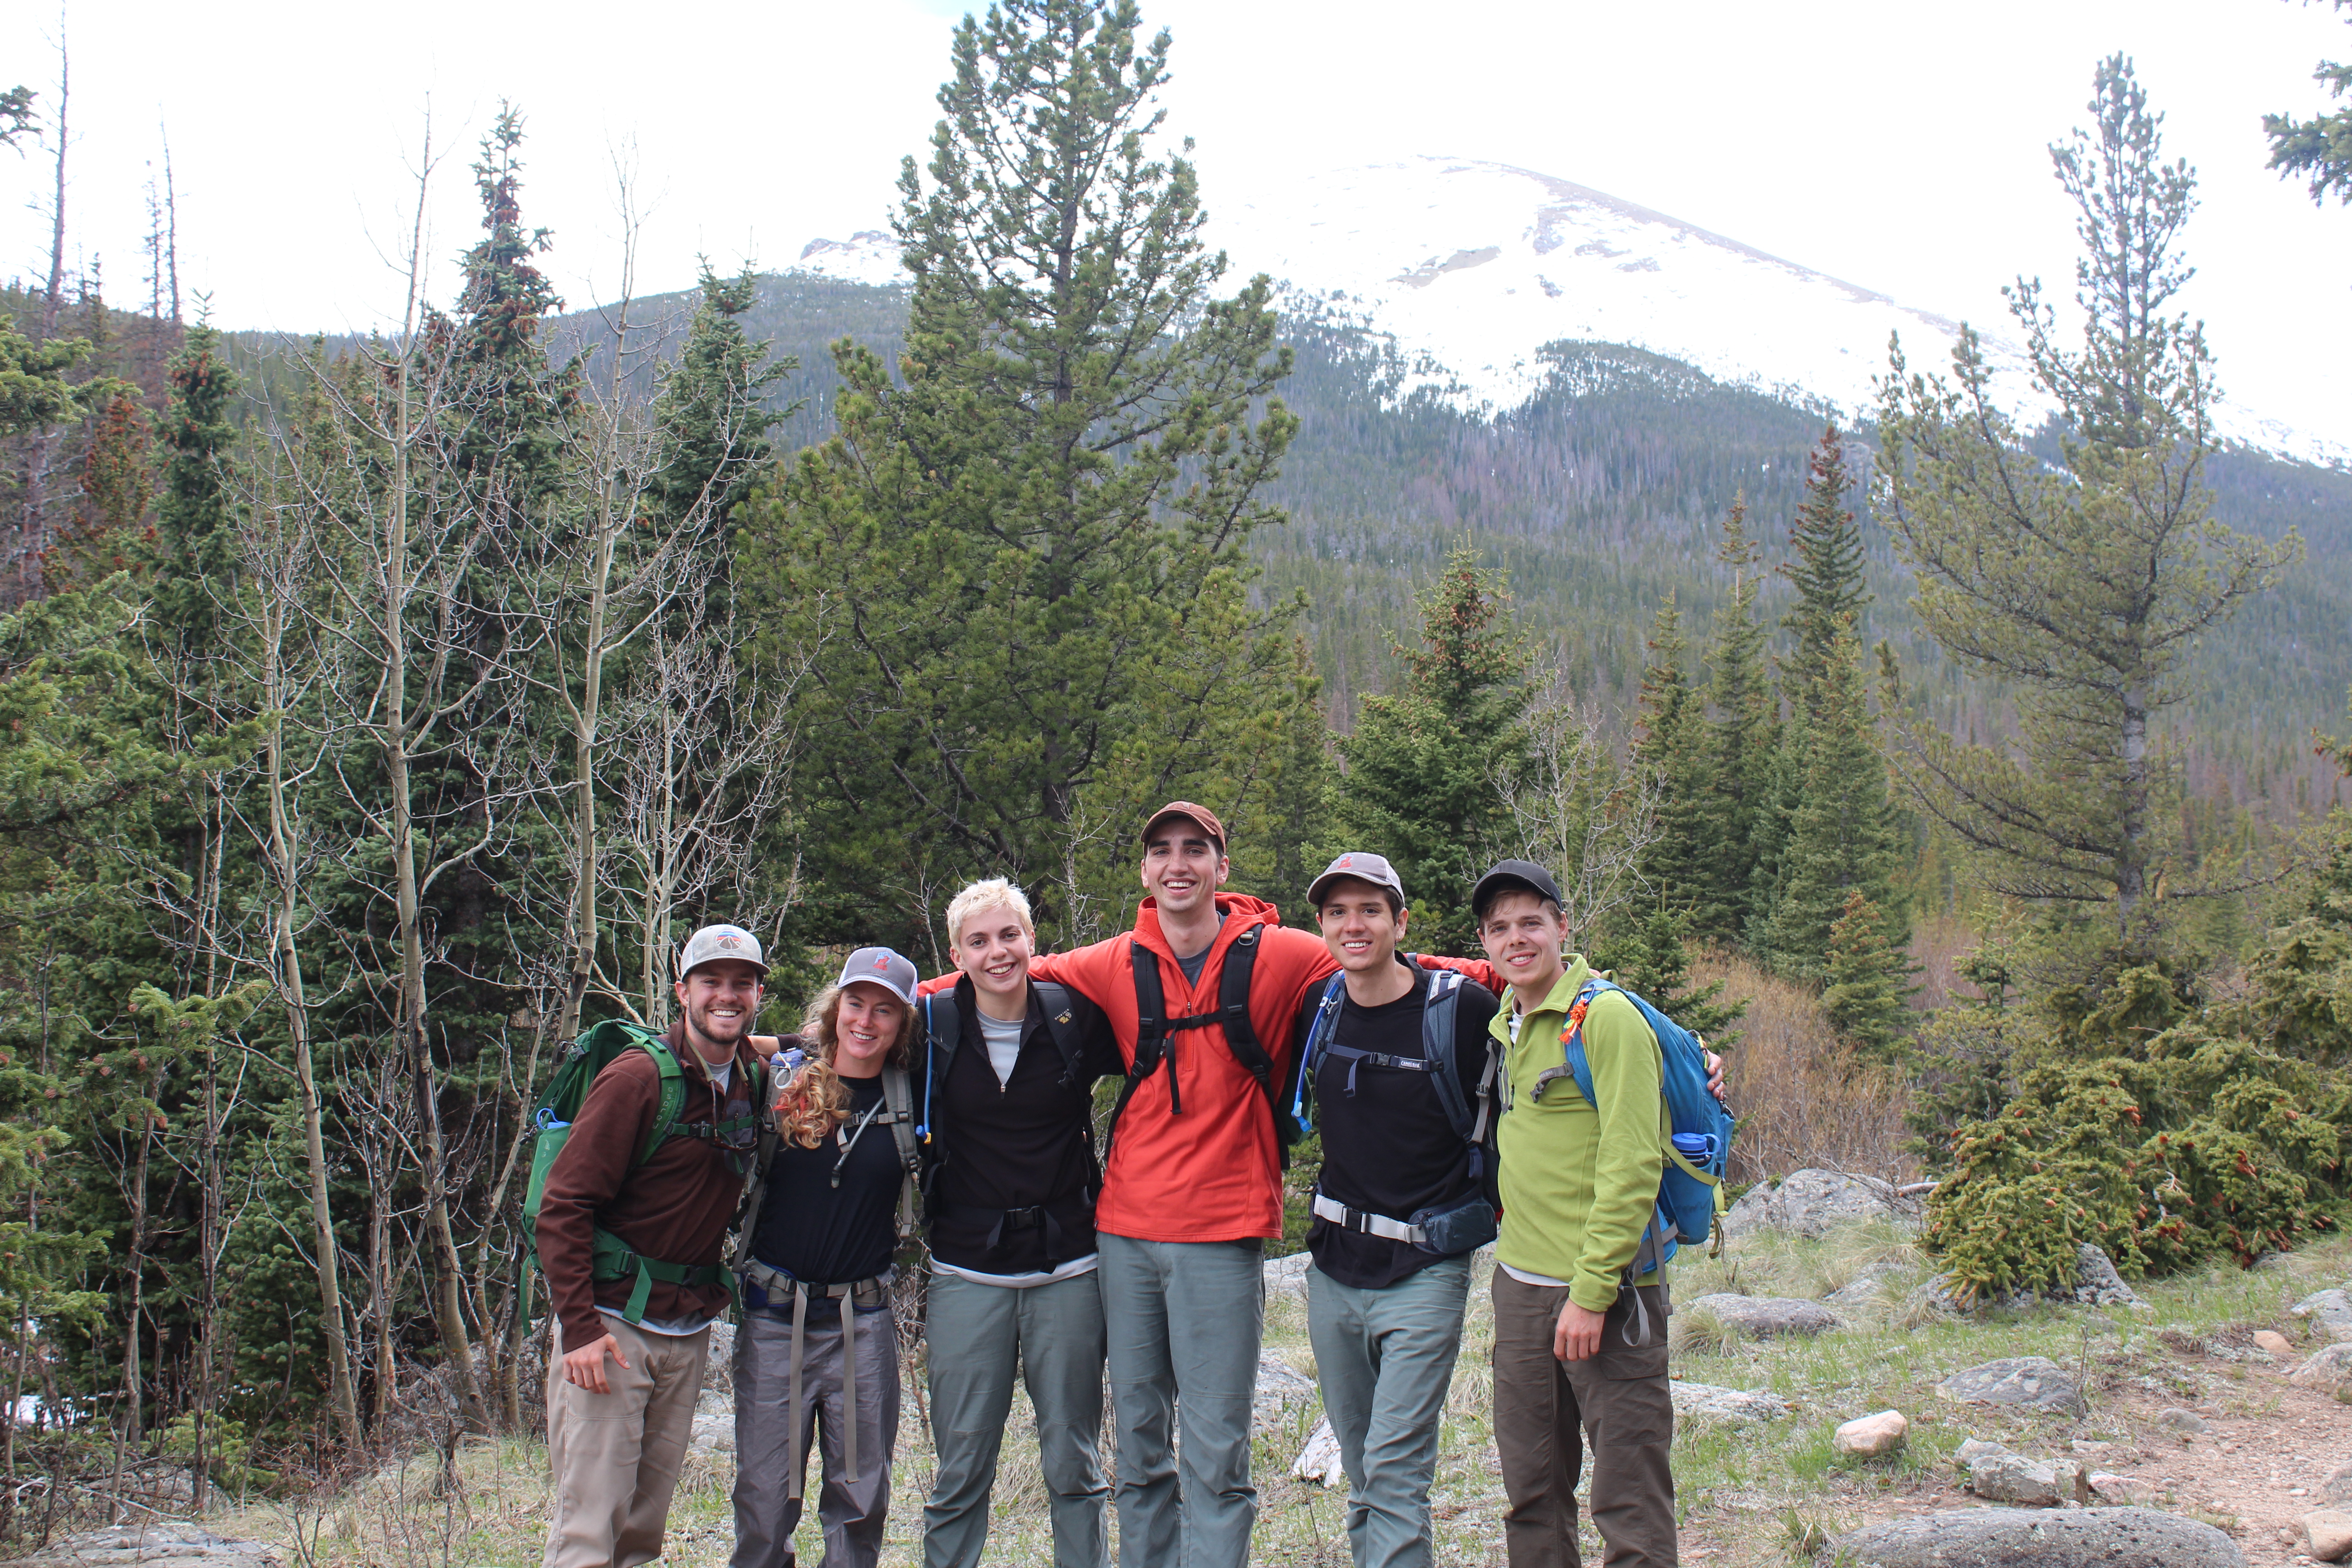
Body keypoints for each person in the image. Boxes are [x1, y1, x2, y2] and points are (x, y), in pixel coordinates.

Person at [924, 803, 1485, 1568]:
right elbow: (984, 978)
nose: (1177, 864)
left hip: (1223, 1232)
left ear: (1222, 868)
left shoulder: (1285, 954)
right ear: (1146, 872)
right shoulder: (1113, 960)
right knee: (1142, 1447)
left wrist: (1562, 989)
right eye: (1162, 851)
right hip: (1123, 1233)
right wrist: (842, 1023)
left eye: (1196, 850)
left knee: (1218, 1455)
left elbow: (1402, 968)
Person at [1288, 853, 1501, 1568]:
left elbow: (1562, 1006)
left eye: (1371, 910)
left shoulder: (1460, 1009)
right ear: (1321, 925)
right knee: (1362, 1468)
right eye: (1339, 912)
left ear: (1400, 921)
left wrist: (1692, 1054)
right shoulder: (1320, 1007)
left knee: (1396, 1470)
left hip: (1426, 1269)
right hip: (1334, 1272)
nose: (1355, 925)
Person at [536, 923, 769, 1568]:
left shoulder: (749, 1073)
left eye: (742, 984)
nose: (727, 996)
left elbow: (790, 1046)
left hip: (686, 1328)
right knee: (589, 1532)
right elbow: (562, 1206)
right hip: (612, 1330)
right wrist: (579, 1328)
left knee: (642, 1534)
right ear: (682, 992)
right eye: (711, 983)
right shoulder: (636, 1080)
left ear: (756, 995)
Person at [915, 878, 1125, 1568]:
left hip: (1066, 1266)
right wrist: (759, 1045)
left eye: (1010, 936)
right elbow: (845, 1040)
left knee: (1074, 1463)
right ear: (956, 953)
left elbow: (1161, 1053)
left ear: (1034, 941)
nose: (997, 952)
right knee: (961, 1467)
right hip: (964, 1271)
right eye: (979, 941)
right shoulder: (933, 1027)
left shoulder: (1073, 1018)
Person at [1475, 859, 1678, 1568]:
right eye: (1499, 929)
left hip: (1609, 1294)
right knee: (1531, 1492)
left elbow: (1633, 1164)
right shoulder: (1509, 1019)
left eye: (1532, 922)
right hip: (1520, 1287)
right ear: (1485, 945)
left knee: (1629, 1497)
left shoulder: (1607, 1017)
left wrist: (1592, 1293)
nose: (1517, 939)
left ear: (1564, 927)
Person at [732, 948, 925, 1568]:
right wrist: (780, 1039)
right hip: (772, 1317)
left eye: (885, 1010)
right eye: (857, 1004)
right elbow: (714, 1045)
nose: (866, 1021)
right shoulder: (783, 1079)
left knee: (861, 1500)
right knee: (764, 1500)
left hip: (861, 1325)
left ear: (903, 1024)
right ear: (836, 1008)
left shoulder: (911, 1094)